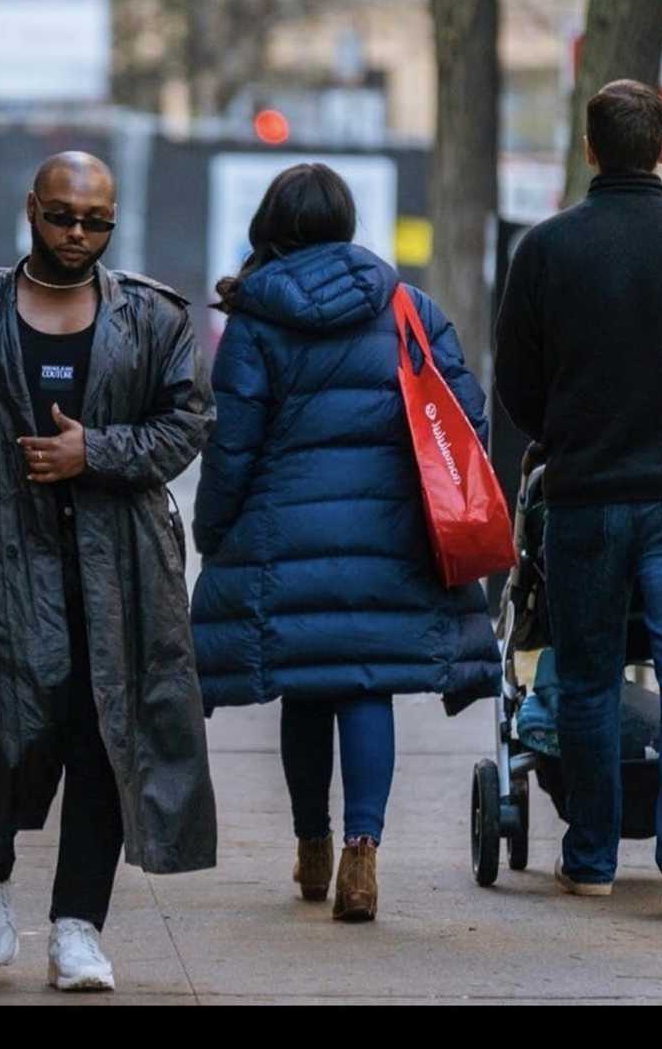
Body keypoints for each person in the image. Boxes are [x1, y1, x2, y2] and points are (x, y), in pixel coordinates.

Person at [0, 151, 217, 990]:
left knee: (105, 742)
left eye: (96, 221)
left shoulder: (152, 318)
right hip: (1, 557)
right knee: (1, 731)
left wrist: (92, 450)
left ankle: (77, 926)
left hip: (123, 567)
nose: (78, 234)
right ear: (33, 209)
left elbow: (186, 426)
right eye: (63, 216)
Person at [190, 163, 502, 922]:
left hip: (285, 537)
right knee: (366, 687)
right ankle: (365, 853)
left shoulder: (255, 325)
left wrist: (213, 530)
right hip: (389, 538)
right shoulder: (409, 308)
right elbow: (468, 423)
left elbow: (232, 447)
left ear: (273, 225)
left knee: (307, 688)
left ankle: (312, 845)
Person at [494, 80, 662, 916]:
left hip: (585, 495)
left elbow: (517, 382)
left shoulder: (544, 250)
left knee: (584, 673)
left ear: (590, 149)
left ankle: (590, 856)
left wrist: (565, 436)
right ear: (660, 149)